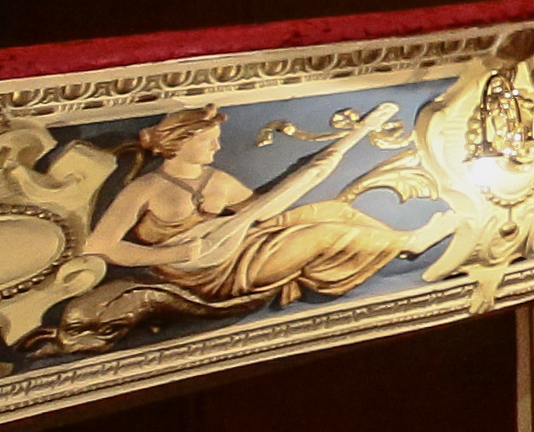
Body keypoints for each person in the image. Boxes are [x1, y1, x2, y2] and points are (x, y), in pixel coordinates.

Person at [76, 108, 424, 308]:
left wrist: (347, 144)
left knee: (329, 212)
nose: (217, 146)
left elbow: (264, 212)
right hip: (200, 273)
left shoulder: (217, 181)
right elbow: (100, 245)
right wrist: (176, 253)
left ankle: (406, 238)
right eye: (207, 139)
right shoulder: (145, 189)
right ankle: (408, 243)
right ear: (180, 142)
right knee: (323, 234)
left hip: (235, 246)